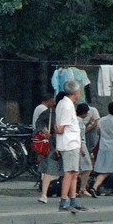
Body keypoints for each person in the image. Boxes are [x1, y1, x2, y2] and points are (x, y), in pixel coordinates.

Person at [53, 80, 85, 212]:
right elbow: (61, 128)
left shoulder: (64, 103)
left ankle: (73, 198)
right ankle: (64, 200)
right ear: (76, 92)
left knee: (74, 172)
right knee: (69, 173)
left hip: (71, 143)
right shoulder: (67, 106)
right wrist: (56, 129)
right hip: (69, 143)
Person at [37, 92, 65, 204]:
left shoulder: (63, 112)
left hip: (63, 142)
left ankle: (63, 194)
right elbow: (39, 123)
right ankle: (44, 194)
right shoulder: (50, 113)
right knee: (50, 167)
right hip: (53, 142)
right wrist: (44, 131)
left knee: (64, 169)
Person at [76, 103, 94, 199]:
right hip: (81, 144)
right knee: (87, 167)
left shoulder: (80, 121)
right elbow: (78, 135)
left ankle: (81, 188)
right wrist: (81, 148)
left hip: (81, 144)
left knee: (81, 168)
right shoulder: (78, 122)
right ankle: (82, 188)